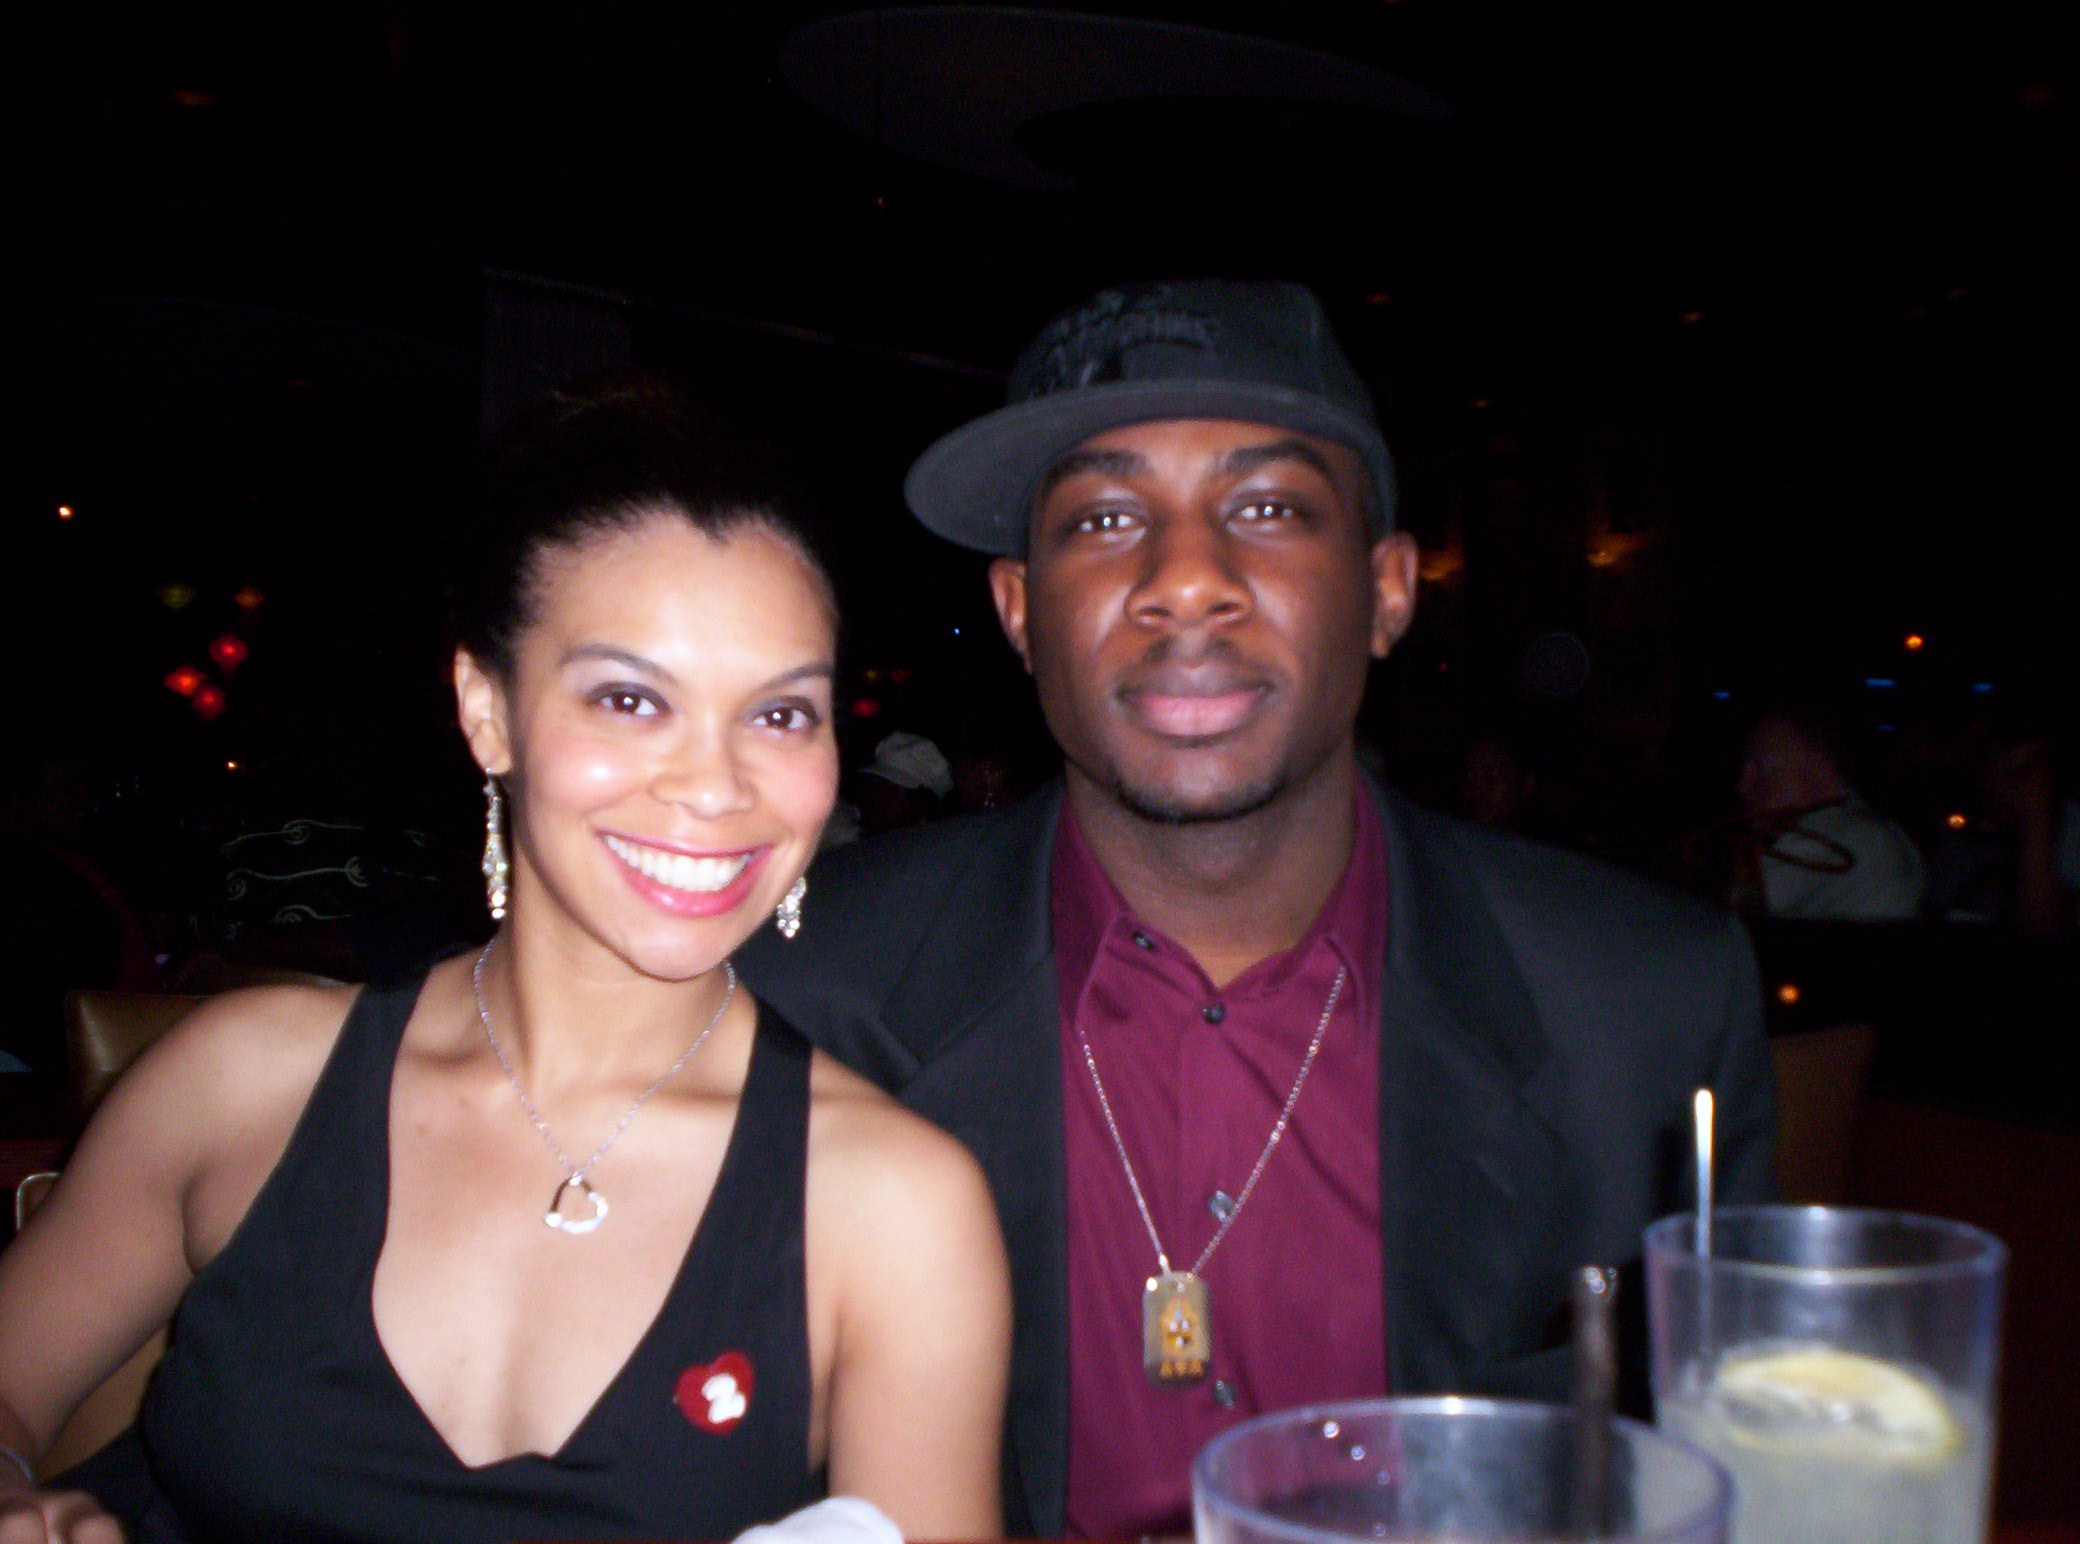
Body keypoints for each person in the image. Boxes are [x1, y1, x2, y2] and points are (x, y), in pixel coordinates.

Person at [740, 280, 1778, 1538]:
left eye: (1269, 508)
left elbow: (1725, 1472)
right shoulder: (795, 993)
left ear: (1387, 589)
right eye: (1105, 518)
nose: (1186, 581)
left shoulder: (1652, 1007)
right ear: (1019, 612)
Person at [0, 381, 1009, 1544]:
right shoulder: (244, 1083)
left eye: (779, 715)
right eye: (629, 698)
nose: (716, 785)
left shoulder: (891, 1205)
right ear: (487, 708)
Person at [1735, 705, 1925, 921]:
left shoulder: (1842, 834)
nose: (1742, 785)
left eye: (1758, 768)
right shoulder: (1871, 827)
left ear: (1814, 766)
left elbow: (1721, 913)